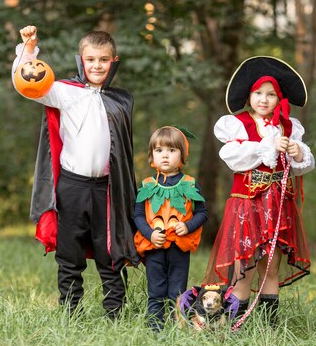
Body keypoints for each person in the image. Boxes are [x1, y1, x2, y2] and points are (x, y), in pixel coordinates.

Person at [12, 25, 139, 319]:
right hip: (72, 186)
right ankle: (71, 313)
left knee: (110, 252)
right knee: (70, 254)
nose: (97, 65)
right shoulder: (65, 92)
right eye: (91, 59)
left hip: (107, 189)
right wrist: (28, 49)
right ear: (81, 60)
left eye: (103, 60)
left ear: (113, 61)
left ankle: (114, 315)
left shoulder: (122, 100)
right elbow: (26, 83)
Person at [202, 56, 315, 327]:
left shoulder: (288, 127)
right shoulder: (238, 124)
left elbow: (300, 167)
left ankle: (268, 328)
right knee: (245, 268)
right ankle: (235, 326)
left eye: (271, 94)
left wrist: (297, 152)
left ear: (279, 98)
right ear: (249, 95)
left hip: (278, 208)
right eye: (258, 93)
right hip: (247, 207)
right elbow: (231, 156)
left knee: (271, 269)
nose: (264, 99)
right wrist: (266, 147)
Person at [133, 126, 208, 330]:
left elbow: (202, 213)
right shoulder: (147, 186)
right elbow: (138, 215)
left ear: (183, 154)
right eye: (159, 150)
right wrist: (149, 234)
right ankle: (155, 328)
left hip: (179, 248)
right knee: (156, 290)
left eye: (172, 150)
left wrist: (188, 225)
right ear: (151, 156)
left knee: (177, 291)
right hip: (154, 247)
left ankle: (177, 327)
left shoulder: (190, 185)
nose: (165, 155)